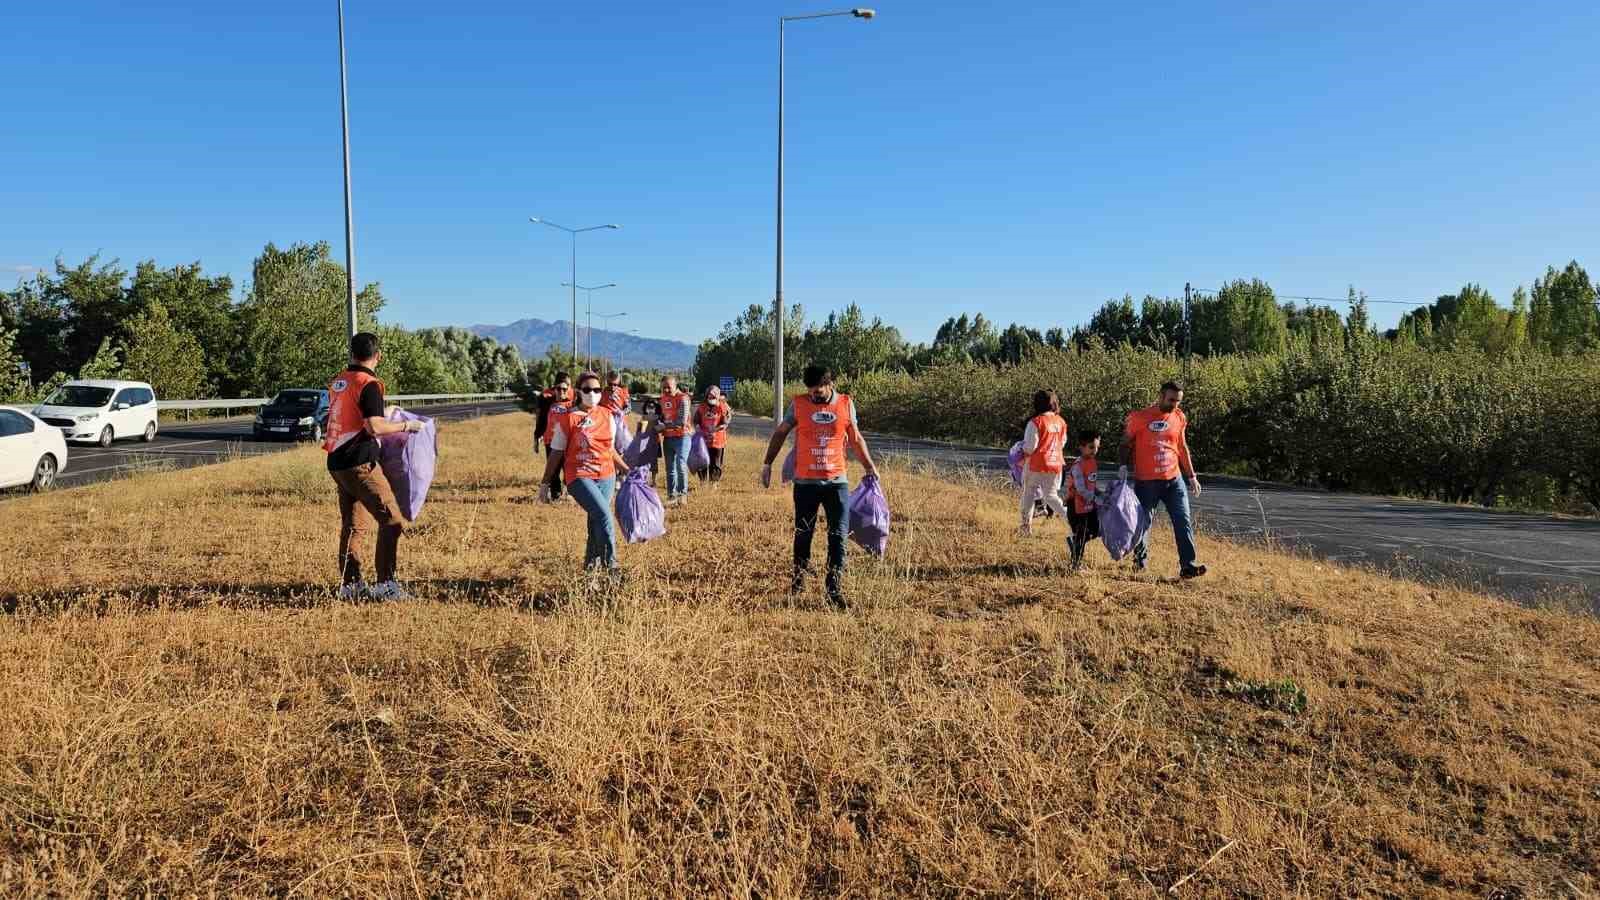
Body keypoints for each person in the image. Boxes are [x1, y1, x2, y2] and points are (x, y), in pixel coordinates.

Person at [760, 365, 879, 610]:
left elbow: (855, 438)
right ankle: (798, 581)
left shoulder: (845, 404)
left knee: (838, 536)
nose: (814, 394)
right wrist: (767, 463)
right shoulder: (799, 404)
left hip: (837, 483)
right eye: (810, 390)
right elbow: (781, 432)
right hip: (805, 484)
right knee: (803, 533)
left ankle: (833, 589)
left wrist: (869, 466)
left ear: (830, 384)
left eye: (819, 389)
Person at [324, 331, 426, 601]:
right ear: (378, 356)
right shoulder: (369, 383)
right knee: (392, 521)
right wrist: (407, 425)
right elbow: (374, 426)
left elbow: (353, 414)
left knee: (354, 525)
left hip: (337, 460)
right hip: (359, 461)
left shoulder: (339, 381)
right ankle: (386, 585)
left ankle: (351, 586)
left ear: (352, 354)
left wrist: (382, 409)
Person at [540, 371, 632, 573]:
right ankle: (612, 568)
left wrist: (627, 470)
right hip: (579, 476)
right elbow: (556, 453)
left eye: (597, 389)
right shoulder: (568, 419)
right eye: (588, 389)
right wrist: (545, 483)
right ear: (579, 392)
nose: (593, 393)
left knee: (596, 520)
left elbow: (610, 449)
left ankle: (590, 569)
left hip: (606, 475)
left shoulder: (607, 416)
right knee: (605, 515)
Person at [1120, 381, 1207, 579]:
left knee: (1182, 520)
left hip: (1174, 480)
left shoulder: (1179, 417)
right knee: (1143, 523)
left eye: (1178, 401)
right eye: (1171, 400)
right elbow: (1125, 443)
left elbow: (1182, 447)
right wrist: (1123, 466)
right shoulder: (1140, 418)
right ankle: (1139, 564)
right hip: (1147, 481)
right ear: (1160, 396)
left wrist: (1192, 476)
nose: (1174, 405)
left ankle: (1188, 566)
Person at [1018, 389, 1070, 536]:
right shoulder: (1061, 422)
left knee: (1028, 493)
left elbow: (1030, 447)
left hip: (1036, 464)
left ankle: (1025, 528)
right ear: (1054, 403)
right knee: (1051, 496)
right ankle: (1071, 520)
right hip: (1056, 464)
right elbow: (1063, 442)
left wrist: (1021, 449)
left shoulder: (1035, 422)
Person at [1064, 429, 1102, 569]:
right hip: (1076, 507)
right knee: (1082, 534)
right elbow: (1080, 489)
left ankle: (1073, 541)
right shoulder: (1078, 466)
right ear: (1081, 447)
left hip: (1089, 505)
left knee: (1097, 530)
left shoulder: (1092, 462)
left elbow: (1091, 484)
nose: (1095, 450)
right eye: (1091, 447)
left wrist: (1100, 494)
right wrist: (1095, 499)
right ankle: (1075, 564)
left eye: (1097, 447)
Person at [654, 374, 692, 505]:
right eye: (663, 388)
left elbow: (681, 421)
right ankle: (671, 496)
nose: (666, 390)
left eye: (668, 388)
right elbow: (662, 417)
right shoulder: (663, 399)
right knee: (670, 469)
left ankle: (683, 495)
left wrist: (664, 425)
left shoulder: (683, 399)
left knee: (680, 465)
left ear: (676, 386)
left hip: (682, 437)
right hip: (668, 438)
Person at [534, 373, 573, 501]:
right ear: (554, 389)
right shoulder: (547, 402)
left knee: (568, 467)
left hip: (567, 442)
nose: (561, 391)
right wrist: (536, 437)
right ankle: (555, 494)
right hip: (550, 441)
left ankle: (569, 493)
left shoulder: (572, 404)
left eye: (564, 389)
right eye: (558, 389)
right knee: (553, 469)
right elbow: (540, 420)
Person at [692, 384, 733, 483]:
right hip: (703, 440)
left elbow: (726, 422)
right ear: (706, 396)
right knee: (702, 461)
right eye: (709, 395)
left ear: (718, 396)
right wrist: (698, 428)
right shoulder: (701, 407)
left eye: (713, 396)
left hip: (717, 441)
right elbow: (696, 421)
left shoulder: (723, 407)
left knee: (716, 463)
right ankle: (702, 481)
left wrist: (716, 428)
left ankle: (714, 483)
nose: (711, 397)